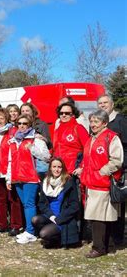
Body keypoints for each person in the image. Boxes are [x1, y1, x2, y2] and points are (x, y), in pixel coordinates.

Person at [75, 110, 124, 258]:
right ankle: (106, 245)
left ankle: (99, 247)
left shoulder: (111, 137)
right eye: (91, 121)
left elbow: (117, 160)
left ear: (104, 123)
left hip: (102, 182)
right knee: (99, 216)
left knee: (99, 218)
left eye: (96, 121)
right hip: (91, 182)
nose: (93, 124)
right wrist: (83, 169)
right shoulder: (91, 139)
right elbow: (88, 159)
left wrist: (101, 172)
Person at [7, 114, 50, 244]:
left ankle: (31, 232)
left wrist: (32, 148)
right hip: (17, 177)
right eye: (19, 123)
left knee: (30, 204)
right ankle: (29, 229)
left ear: (30, 124)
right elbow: (10, 160)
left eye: (25, 123)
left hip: (31, 177)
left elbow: (46, 156)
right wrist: (9, 178)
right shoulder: (14, 140)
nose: (21, 126)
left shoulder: (36, 139)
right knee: (25, 204)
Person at [0, 108, 23, 236]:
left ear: (6, 119)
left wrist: (9, 173)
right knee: (0, 199)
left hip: (9, 171)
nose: (0, 121)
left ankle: (16, 225)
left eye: (2, 118)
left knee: (13, 199)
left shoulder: (12, 132)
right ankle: (2, 224)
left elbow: (14, 152)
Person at [97, 94, 127, 245]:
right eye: (100, 103)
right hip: (101, 171)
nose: (102, 105)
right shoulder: (98, 123)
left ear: (112, 104)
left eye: (105, 103)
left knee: (117, 203)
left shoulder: (121, 121)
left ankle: (118, 236)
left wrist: (122, 166)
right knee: (105, 204)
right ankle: (106, 235)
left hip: (118, 169)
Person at [32, 157, 80, 248]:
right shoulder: (46, 182)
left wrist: (60, 218)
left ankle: (60, 239)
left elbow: (74, 205)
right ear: (50, 168)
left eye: (59, 167)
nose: (56, 169)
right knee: (35, 220)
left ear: (63, 168)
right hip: (50, 215)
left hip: (63, 218)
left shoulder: (68, 182)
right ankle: (52, 237)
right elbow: (42, 203)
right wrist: (51, 215)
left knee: (44, 233)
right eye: (54, 167)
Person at [53, 102, 90, 175]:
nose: (63, 115)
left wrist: (82, 167)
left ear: (73, 114)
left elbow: (88, 149)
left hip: (73, 171)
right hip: (58, 171)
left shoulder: (78, 128)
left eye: (67, 113)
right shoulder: (57, 131)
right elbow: (55, 149)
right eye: (61, 113)